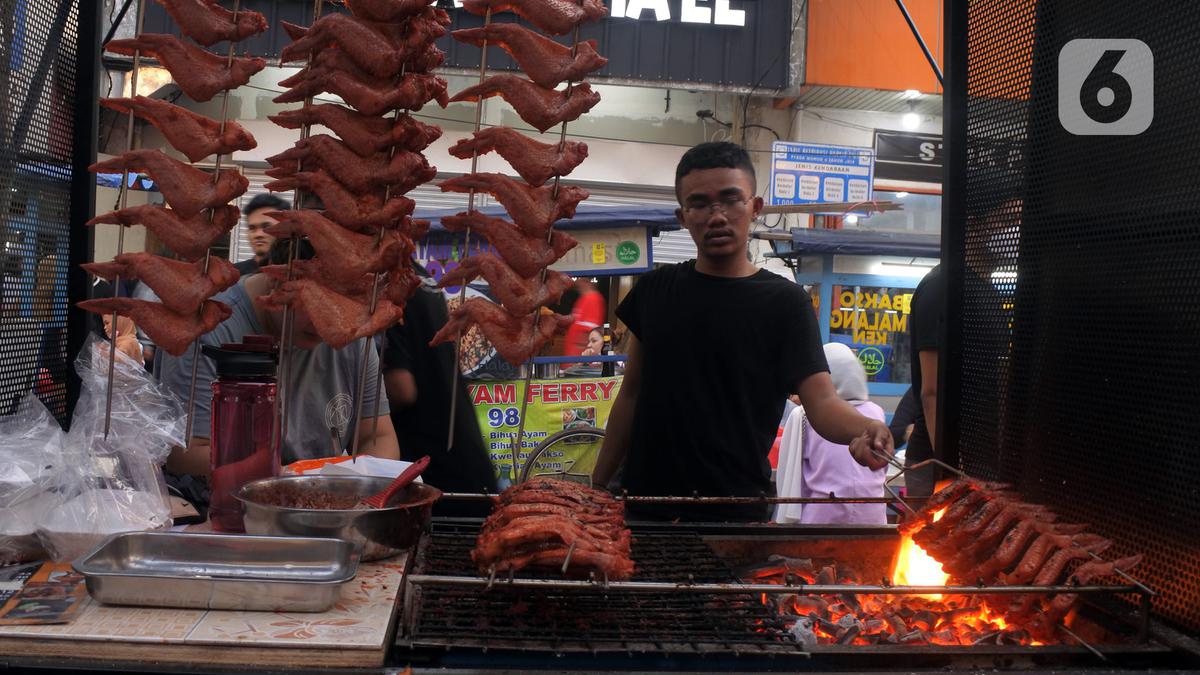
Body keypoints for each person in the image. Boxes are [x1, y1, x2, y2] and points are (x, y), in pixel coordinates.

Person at [591, 142, 892, 522]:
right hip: (646, 509)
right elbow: (631, 395)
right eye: (699, 204)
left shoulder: (785, 303)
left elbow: (822, 403)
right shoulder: (656, 290)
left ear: (755, 207)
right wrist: (598, 487)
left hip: (736, 512)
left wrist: (867, 428)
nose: (717, 216)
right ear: (682, 216)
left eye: (731, 200)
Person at [158, 238, 399, 476]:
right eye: (316, 305)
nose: (330, 325)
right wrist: (283, 478)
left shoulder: (350, 331)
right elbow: (184, 455)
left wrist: (354, 485)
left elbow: (378, 436)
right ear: (275, 279)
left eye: (344, 311)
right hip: (220, 502)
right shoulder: (208, 327)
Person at [381, 264, 498, 503]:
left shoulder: (387, 285)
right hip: (465, 461)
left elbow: (402, 389)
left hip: (433, 478)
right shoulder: (419, 274)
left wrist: (355, 413)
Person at [774, 343, 888, 525]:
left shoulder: (805, 415)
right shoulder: (876, 412)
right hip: (872, 516)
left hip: (821, 518)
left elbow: (790, 473)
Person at [233, 194, 291, 276]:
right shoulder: (234, 275)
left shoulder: (296, 272)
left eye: (266, 226)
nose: (258, 234)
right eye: (252, 228)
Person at [562, 277, 604, 356]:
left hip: (581, 357)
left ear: (586, 282)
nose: (578, 282)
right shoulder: (583, 298)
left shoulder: (593, 298)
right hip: (573, 354)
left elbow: (591, 331)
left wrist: (581, 355)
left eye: (581, 279)